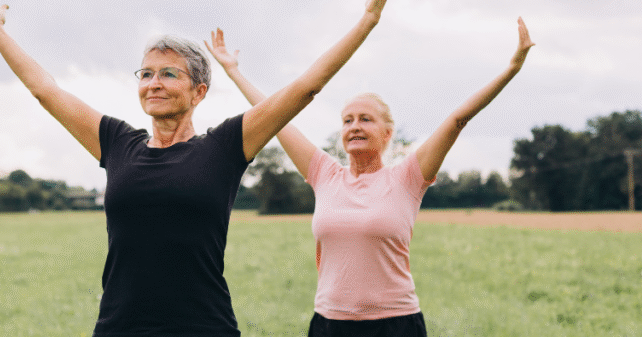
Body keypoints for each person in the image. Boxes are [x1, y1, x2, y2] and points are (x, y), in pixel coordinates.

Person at [0, 0, 394, 336]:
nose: (154, 83)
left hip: (203, 327)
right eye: (146, 74)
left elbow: (306, 87)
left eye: (169, 74)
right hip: (121, 328)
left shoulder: (225, 147)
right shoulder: (118, 143)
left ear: (200, 91)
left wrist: (368, 20)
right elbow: (47, 91)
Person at [206, 17, 534, 337]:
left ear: (387, 133)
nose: (355, 126)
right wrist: (234, 70)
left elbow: (457, 120)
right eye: (348, 120)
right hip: (330, 323)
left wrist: (512, 68)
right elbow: (274, 116)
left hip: (395, 323)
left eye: (366, 119)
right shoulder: (324, 174)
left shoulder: (408, 177)